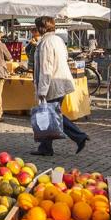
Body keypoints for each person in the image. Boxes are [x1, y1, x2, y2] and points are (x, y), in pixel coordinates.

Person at [31, 16, 89, 156]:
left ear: (41, 28)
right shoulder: (58, 40)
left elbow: (46, 68)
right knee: (51, 115)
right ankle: (46, 148)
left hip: (53, 83)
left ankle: (79, 136)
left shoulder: (46, 43)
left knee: (53, 115)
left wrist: (42, 90)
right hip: (61, 81)